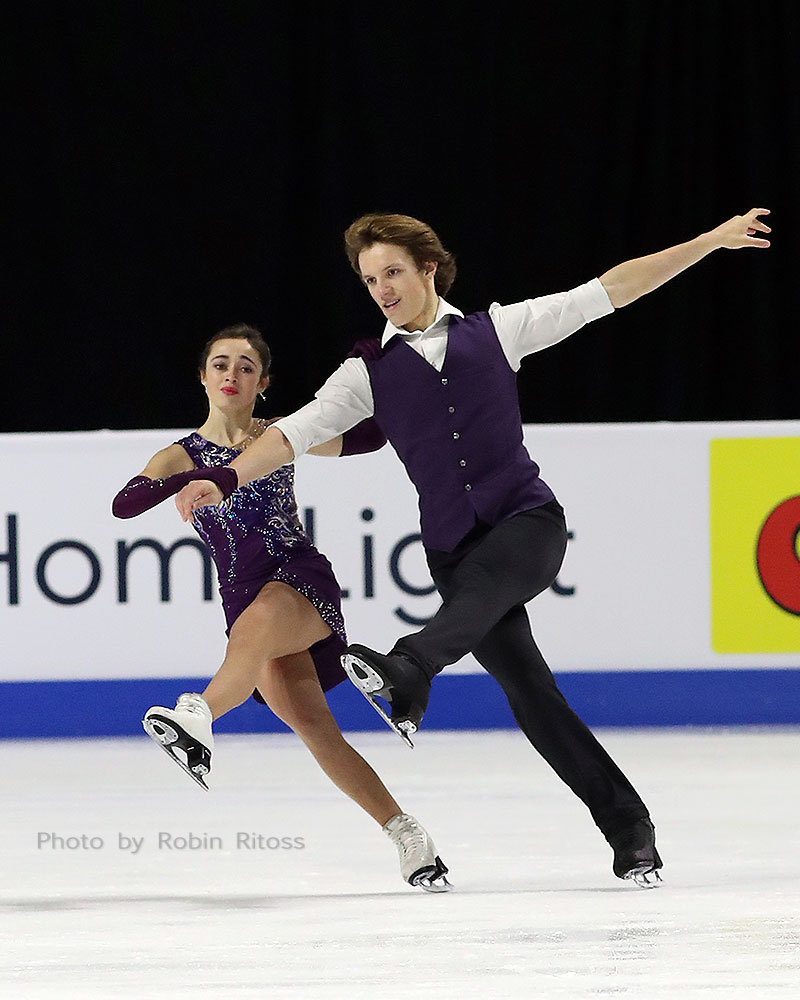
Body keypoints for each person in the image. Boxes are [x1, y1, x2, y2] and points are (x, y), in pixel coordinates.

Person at [168, 208, 770, 887]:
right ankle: (629, 827)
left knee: (487, 594)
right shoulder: (365, 373)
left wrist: (707, 242)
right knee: (530, 692)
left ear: (429, 268)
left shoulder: (498, 329)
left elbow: (609, 291)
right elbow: (291, 434)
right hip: (453, 552)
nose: (382, 289)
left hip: (526, 522)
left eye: (393, 272)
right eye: (370, 280)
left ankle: (410, 667)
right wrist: (224, 476)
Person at [111, 323, 450, 892]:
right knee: (318, 730)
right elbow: (124, 505)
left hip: (298, 579)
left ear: (262, 383)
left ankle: (196, 714)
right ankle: (407, 833)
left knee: (260, 625)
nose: (232, 375)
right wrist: (184, 480)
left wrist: (392, 384)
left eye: (246, 367)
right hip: (241, 596)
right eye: (220, 364)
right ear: (203, 377)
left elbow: (368, 438)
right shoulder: (178, 455)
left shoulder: (279, 435)